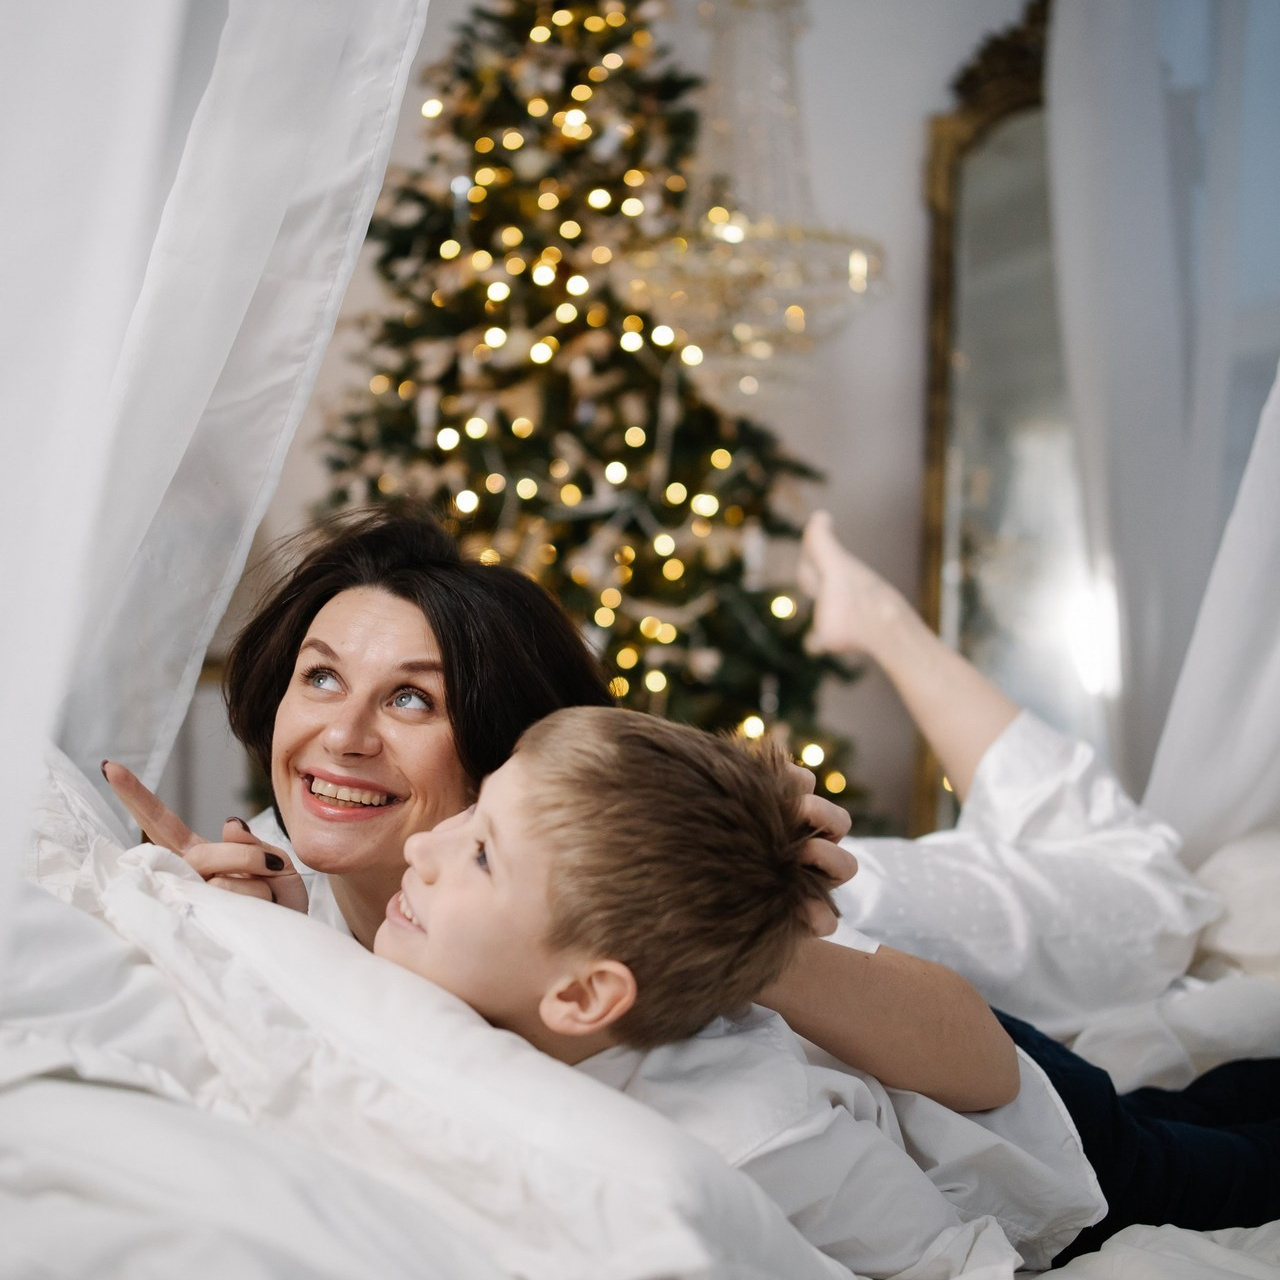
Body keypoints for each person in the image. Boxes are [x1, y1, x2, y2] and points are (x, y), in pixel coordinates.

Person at [104, 501, 1020, 1114]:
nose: (341, 735)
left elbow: (987, 1075)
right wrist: (268, 950)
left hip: (1005, 1033)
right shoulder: (269, 878)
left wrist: (713, 929)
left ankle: (883, 623)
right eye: (321, 676)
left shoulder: (635, 874)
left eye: (412, 698)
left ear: (503, 742)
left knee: (1103, 874)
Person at [371, 702, 1280, 1272]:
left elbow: (952, 1255)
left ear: (583, 996)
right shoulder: (540, 987)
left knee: (1217, 1162)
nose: (421, 848)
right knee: (1195, 1100)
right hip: (914, 1066)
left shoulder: (756, 1134)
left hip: (1028, 1120)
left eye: (479, 847)